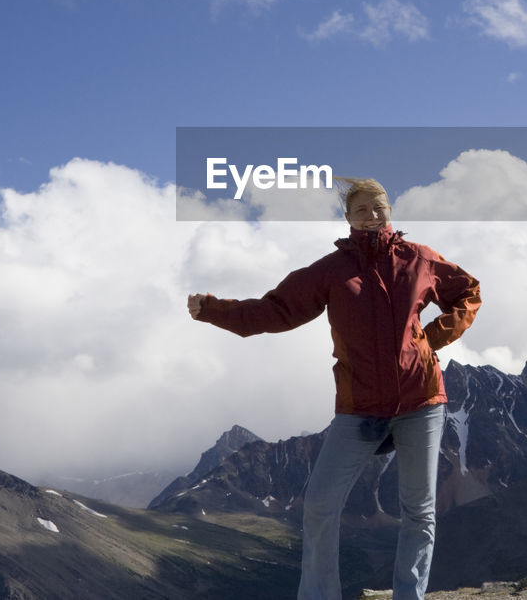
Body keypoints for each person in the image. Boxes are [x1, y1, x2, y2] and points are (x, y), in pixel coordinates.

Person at [187, 177, 481, 600]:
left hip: (421, 400)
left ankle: (408, 595)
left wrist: (432, 337)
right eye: (361, 209)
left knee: (419, 510)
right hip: (360, 407)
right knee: (320, 505)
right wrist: (214, 309)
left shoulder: (420, 259)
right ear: (347, 218)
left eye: (378, 207)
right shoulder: (331, 270)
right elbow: (275, 310)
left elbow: (468, 292)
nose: (371, 215)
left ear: (390, 211)